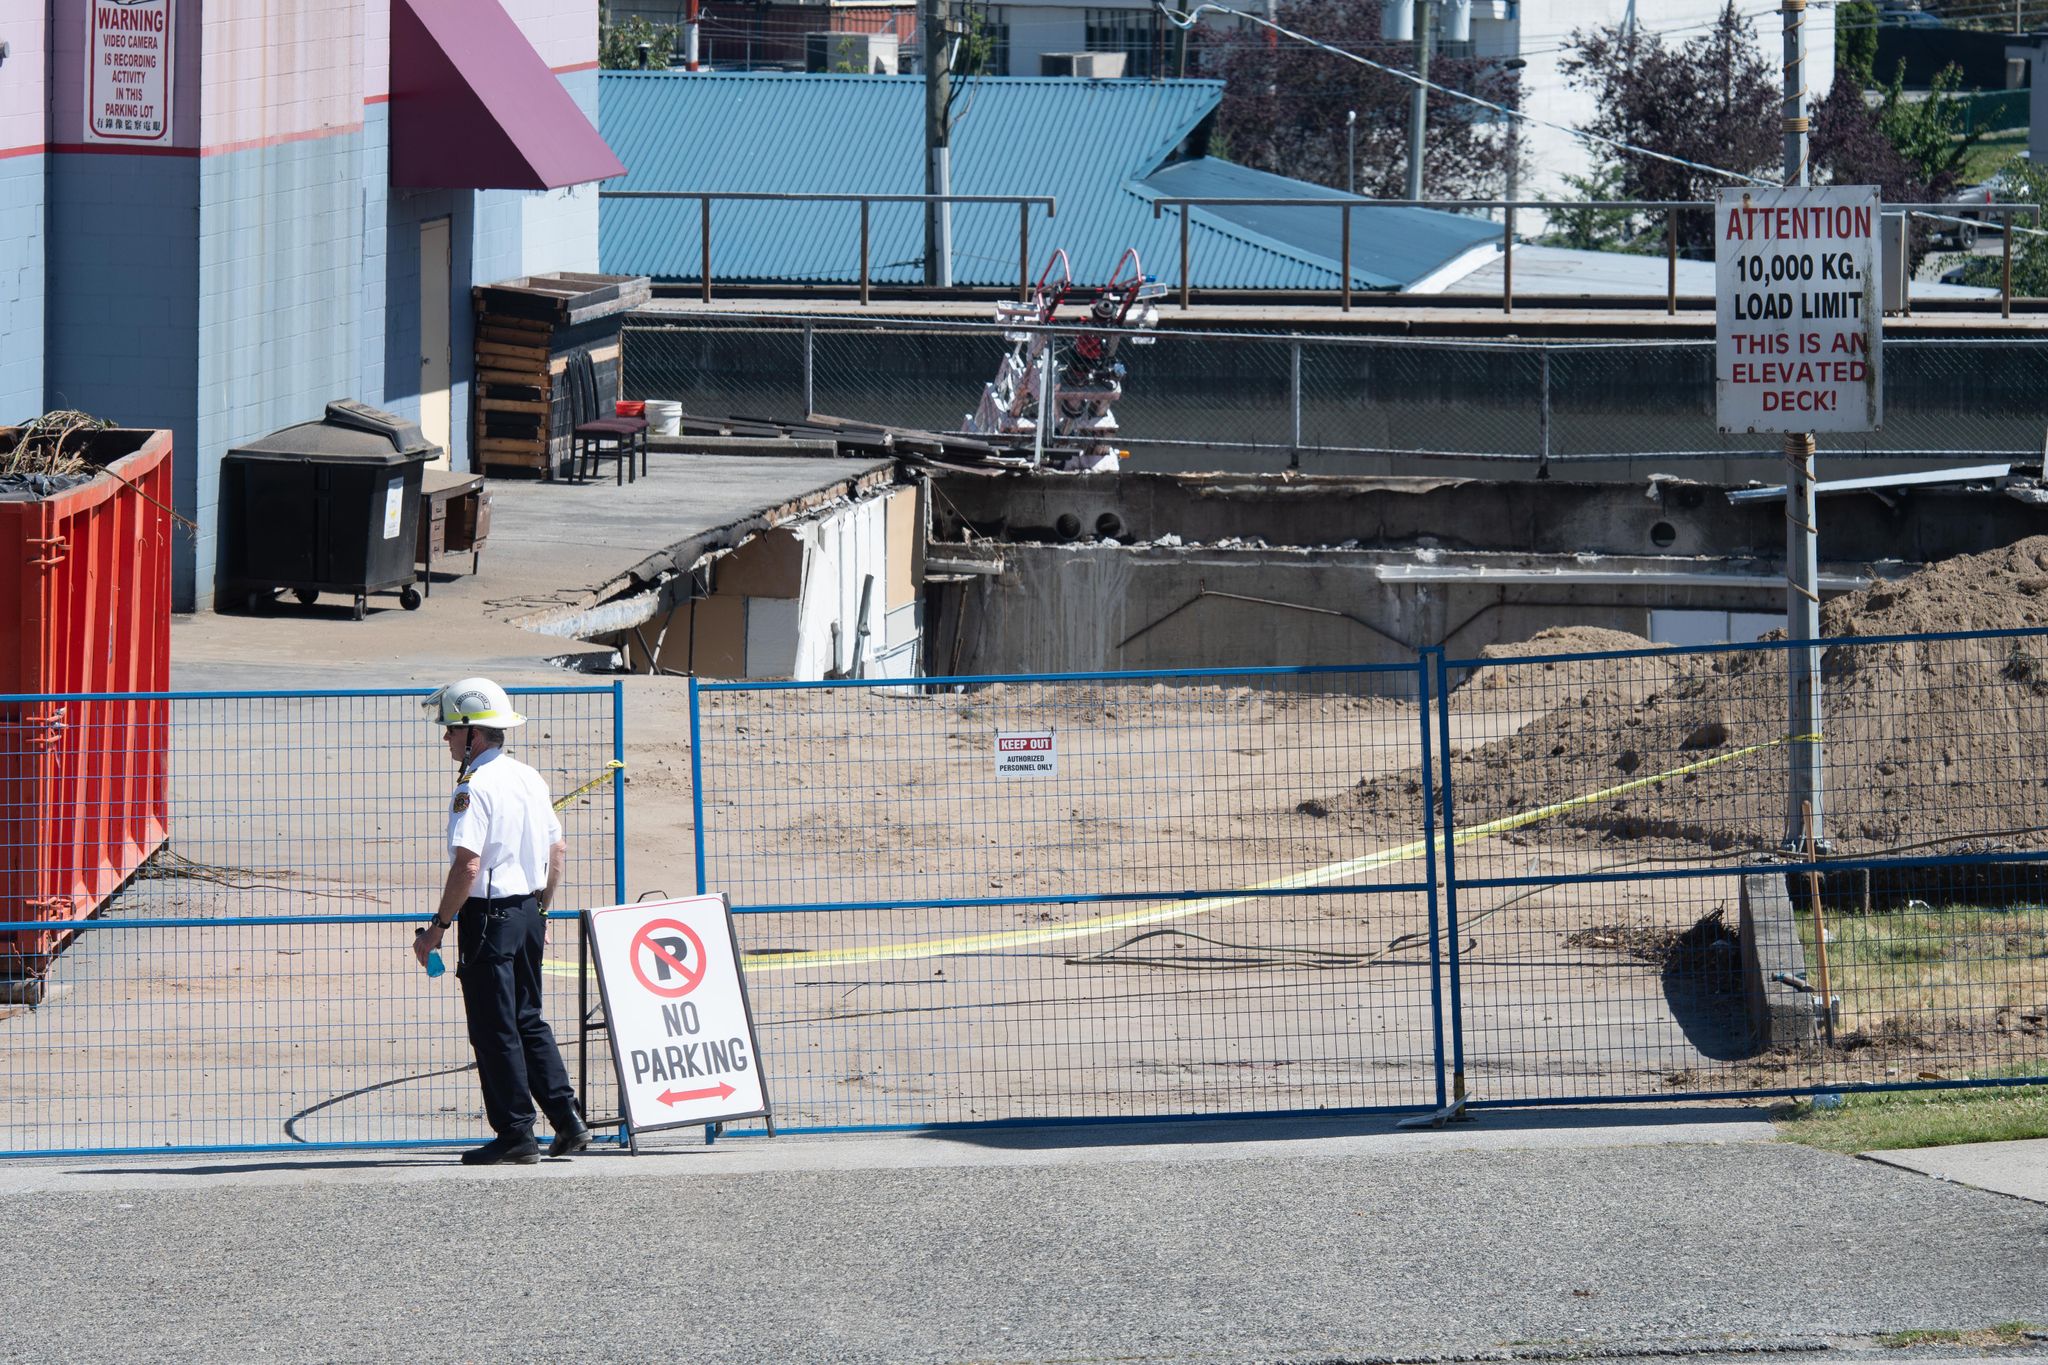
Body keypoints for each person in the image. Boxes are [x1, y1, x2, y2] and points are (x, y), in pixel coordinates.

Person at [413, 677, 591, 1165]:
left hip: (489, 917)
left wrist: (439, 925)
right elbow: (558, 850)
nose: (445, 738)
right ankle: (567, 1119)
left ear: (473, 734)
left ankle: (516, 1132)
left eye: (451, 730)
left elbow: (467, 866)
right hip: (529, 911)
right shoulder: (530, 777)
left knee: (495, 1028)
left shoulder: (475, 786)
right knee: (529, 1018)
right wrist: (543, 909)